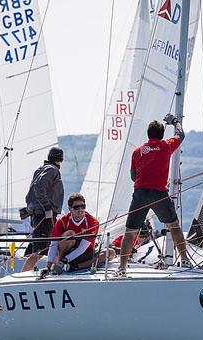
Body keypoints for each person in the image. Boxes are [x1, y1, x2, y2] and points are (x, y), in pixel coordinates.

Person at [115, 114, 192, 277]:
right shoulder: (166, 146)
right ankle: (184, 259)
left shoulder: (137, 151)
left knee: (130, 231)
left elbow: (133, 176)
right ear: (162, 135)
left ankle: (122, 267)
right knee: (174, 225)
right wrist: (175, 122)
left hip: (141, 193)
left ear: (148, 134)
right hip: (159, 193)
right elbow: (181, 135)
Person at [46, 193, 116, 273]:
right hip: (65, 255)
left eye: (83, 207)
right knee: (70, 234)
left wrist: (66, 260)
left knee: (110, 252)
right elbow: (53, 243)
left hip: (83, 254)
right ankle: (59, 263)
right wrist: (49, 264)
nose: (80, 210)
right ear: (70, 209)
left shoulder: (93, 222)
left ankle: (75, 267)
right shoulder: (62, 221)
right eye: (76, 207)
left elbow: (83, 247)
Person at [22, 147, 65, 271]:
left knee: (50, 246)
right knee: (40, 250)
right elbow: (39, 186)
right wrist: (47, 208)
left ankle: (54, 271)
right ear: (61, 159)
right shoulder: (53, 170)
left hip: (38, 213)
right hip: (44, 214)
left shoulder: (41, 169)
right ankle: (23, 275)